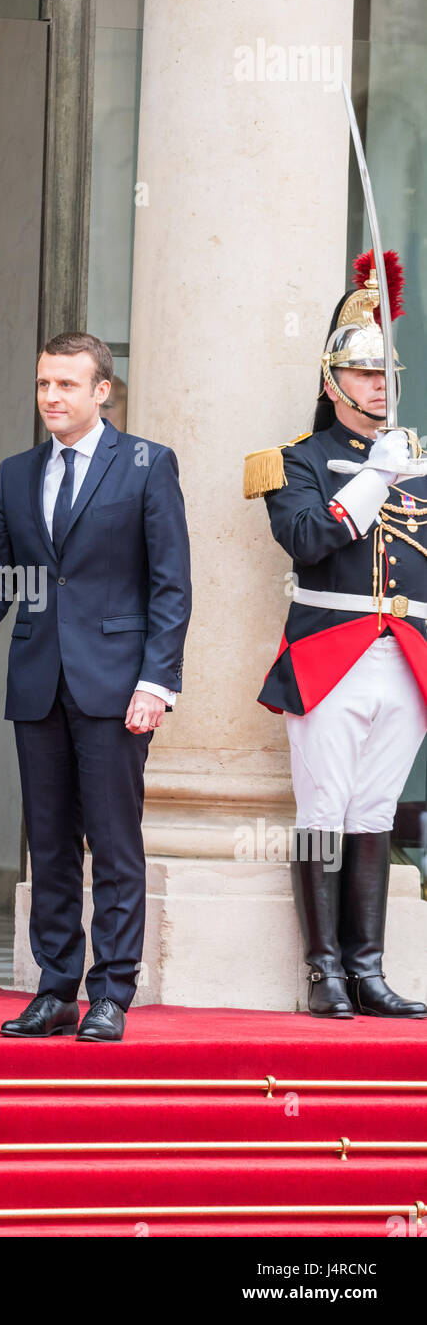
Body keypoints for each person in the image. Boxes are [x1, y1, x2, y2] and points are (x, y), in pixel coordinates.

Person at [0, 332, 191, 1041]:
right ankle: (54, 990)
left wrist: (157, 681)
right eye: (42, 385)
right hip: (37, 681)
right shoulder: (17, 472)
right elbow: (1, 574)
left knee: (114, 842)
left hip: (117, 686)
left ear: (101, 391)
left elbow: (169, 584)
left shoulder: (146, 465)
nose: (50, 397)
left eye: (65, 385)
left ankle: (111, 991)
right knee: (48, 844)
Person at [244, 250, 427, 1019]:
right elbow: (308, 541)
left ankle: (368, 969)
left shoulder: (418, 463)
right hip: (330, 653)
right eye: (363, 374)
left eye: (386, 374)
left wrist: (399, 469)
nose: (379, 385)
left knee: (375, 810)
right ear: (332, 381)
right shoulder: (293, 461)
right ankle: (322, 973)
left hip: (407, 656)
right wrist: (372, 477)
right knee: (323, 807)